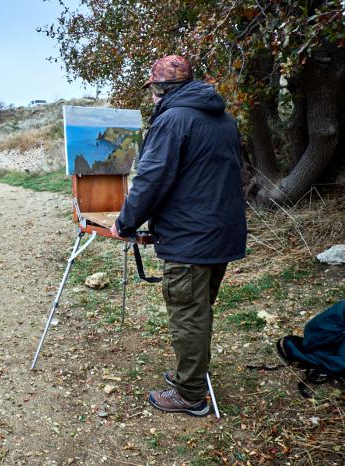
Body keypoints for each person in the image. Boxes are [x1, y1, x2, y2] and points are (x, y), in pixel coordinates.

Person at [109, 55, 247, 417]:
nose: (152, 98)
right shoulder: (222, 118)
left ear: (160, 89)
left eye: (152, 91)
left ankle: (190, 395)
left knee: (188, 315)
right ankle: (192, 374)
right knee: (200, 309)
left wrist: (124, 223)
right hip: (222, 232)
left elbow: (151, 179)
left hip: (191, 237)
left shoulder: (172, 119)